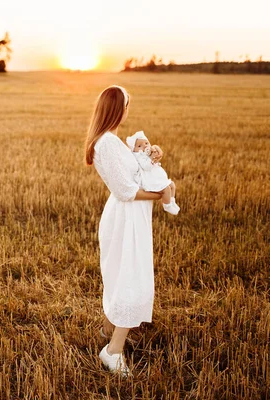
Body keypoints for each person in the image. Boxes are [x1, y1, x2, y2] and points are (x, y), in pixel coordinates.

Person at [84, 85, 168, 377]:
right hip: (124, 218)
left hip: (130, 218)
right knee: (132, 278)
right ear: (117, 109)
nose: (128, 111)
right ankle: (113, 351)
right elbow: (125, 190)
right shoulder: (105, 143)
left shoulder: (113, 141)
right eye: (126, 106)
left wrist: (149, 152)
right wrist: (160, 195)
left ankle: (108, 329)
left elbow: (133, 162)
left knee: (125, 274)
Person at [126, 130, 180, 215]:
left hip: (156, 176)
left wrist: (155, 153)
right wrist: (151, 159)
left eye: (146, 143)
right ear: (134, 150)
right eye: (139, 146)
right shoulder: (139, 157)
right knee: (166, 189)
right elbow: (146, 166)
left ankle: (172, 201)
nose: (144, 146)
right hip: (150, 179)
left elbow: (155, 154)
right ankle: (167, 206)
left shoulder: (147, 153)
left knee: (172, 185)